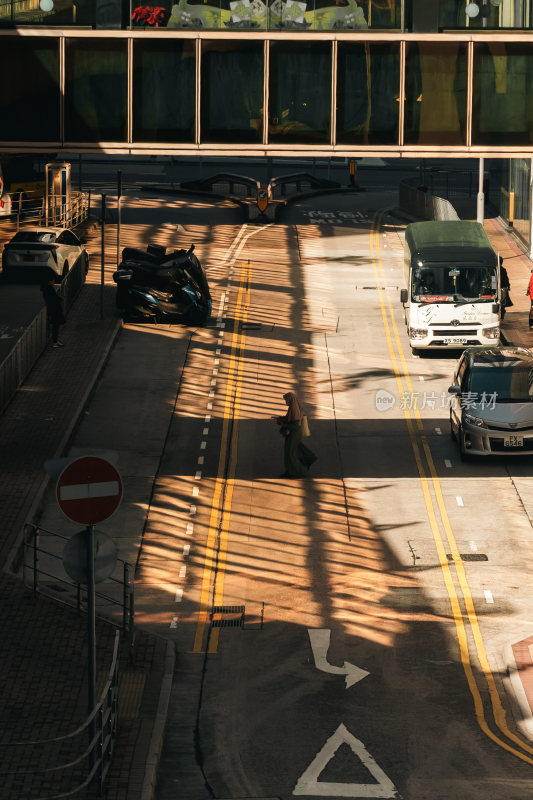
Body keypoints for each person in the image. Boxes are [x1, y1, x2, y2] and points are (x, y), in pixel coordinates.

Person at [276, 391, 317, 478]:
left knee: (290, 454)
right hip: (294, 434)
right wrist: (282, 419)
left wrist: (283, 424)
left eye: (287, 400)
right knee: (293, 452)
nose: (286, 402)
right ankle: (290, 471)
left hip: (293, 434)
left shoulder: (294, 410)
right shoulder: (293, 407)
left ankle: (296, 472)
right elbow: (289, 418)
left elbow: (294, 424)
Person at [40, 278, 66, 347]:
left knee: (55, 325)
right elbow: (53, 299)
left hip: (53, 310)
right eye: (52, 280)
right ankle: (55, 341)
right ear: (49, 281)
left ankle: (55, 341)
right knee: (55, 325)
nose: (54, 281)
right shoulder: (49, 290)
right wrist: (59, 299)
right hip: (54, 310)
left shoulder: (46, 289)